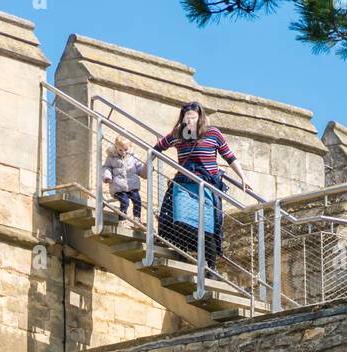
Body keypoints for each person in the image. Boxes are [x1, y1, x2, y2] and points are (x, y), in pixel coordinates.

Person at [152, 101, 252, 268]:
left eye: (193, 117)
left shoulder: (213, 133)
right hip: (184, 183)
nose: (190, 120)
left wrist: (243, 177)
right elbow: (157, 148)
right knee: (180, 221)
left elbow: (229, 156)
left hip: (208, 185)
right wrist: (147, 165)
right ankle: (183, 254)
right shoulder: (178, 134)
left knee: (207, 228)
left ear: (200, 118)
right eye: (187, 117)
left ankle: (210, 266)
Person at [102, 135, 145, 224]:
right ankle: (122, 220)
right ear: (116, 147)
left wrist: (145, 170)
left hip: (132, 185)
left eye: (126, 150)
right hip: (118, 187)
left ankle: (137, 218)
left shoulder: (134, 157)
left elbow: (139, 167)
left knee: (137, 200)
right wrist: (107, 176)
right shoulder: (111, 157)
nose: (123, 152)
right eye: (120, 150)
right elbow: (106, 167)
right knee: (125, 201)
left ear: (130, 147)